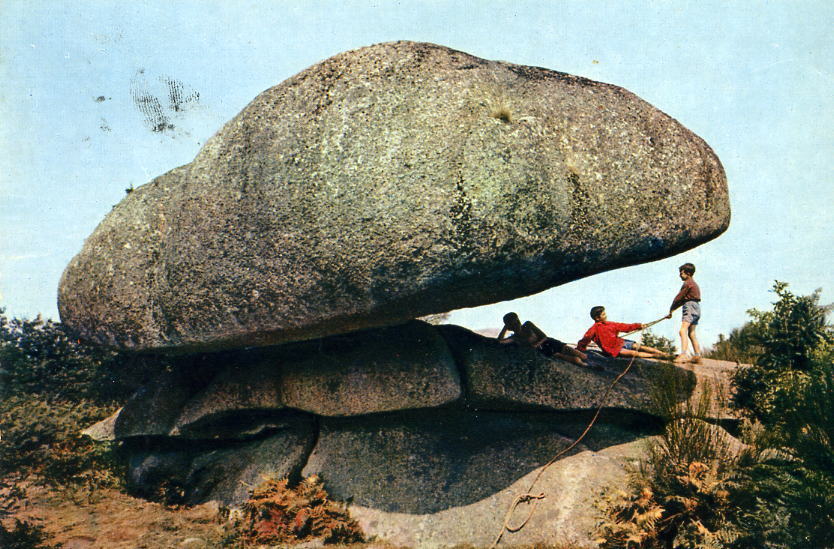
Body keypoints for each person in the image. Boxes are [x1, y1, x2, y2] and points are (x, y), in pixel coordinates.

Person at [577, 306, 672, 359]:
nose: (606, 316)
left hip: (621, 342)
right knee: (634, 353)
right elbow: (586, 339)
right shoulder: (594, 329)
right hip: (613, 350)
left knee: (641, 347)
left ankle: (665, 355)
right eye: (603, 314)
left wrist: (638, 326)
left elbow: (624, 326)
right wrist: (580, 349)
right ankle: (658, 357)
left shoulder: (610, 324)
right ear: (597, 318)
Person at [497, 312, 588, 367]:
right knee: (574, 360)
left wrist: (536, 344)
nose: (517, 324)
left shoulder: (528, 325)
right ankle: (587, 366)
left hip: (549, 342)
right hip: (544, 350)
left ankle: (588, 361)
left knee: (582, 356)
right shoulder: (514, 338)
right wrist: (505, 327)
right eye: (513, 324)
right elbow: (499, 342)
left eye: (517, 321)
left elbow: (544, 336)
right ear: (510, 327)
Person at [665, 262, 702, 363]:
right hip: (697, 307)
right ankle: (697, 356)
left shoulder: (687, 283)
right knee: (692, 333)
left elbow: (679, 298)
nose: (680, 275)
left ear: (688, 273)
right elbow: (684, 299)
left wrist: (671, 310)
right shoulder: (694, 284)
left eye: (681, 273)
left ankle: (684, 354)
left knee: (682, 330)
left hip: (689, 306)